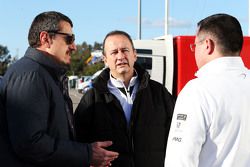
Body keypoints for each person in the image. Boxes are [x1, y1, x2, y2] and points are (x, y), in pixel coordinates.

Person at [0, 11, 118, 167]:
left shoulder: (44, 74)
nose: (74, 46)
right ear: (45, 39)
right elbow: (30, 143)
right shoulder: (31, 75)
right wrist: (87, 154)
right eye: (69, 39)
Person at [74, 30, 175, 167]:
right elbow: (77, 143)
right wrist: (89, 154)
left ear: (134, 54)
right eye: (114, 52)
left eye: (125, 50)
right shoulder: (92, 99)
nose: (120, 56)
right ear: (105, 59)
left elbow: (177, 137)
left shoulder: (159, 93)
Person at [164, 13, 250, 167]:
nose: (194, 50)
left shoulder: (198, 91)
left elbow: (180, 160)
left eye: (195, 45)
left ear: (208, 45)